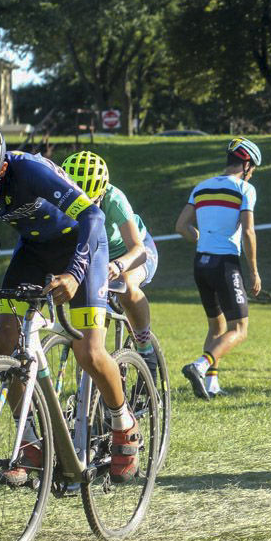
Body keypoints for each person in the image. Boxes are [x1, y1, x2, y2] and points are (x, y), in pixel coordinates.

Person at [0, 119, 142, 484]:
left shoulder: (29, 170)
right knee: (4, 341)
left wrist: (76, 273)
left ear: (0, 168)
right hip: (34, 252)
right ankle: (30, 442)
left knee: (89, 353)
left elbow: (92, 216)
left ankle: (124, 425)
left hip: (82, 248)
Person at [175, 138, 262, 399]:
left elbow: (181, 226)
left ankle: (211, 385)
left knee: (216, 327)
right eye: (254, 167)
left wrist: (200, 237)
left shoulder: (201, 187)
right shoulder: (245, 189)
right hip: (225, 264)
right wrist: (254, 271)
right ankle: (199, 366)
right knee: (239, 329)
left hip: (200, 263)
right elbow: (247, 232)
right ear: (246, 164)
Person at [60, 151, 160, 378]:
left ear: (102, 193)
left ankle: (145, 349)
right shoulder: (58, 197)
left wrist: (118, 266)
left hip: (133, 254)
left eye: (92, 202)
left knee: (126, 286)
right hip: (97, 258)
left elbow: (138, 250)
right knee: (88, 342)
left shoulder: (114, 199)